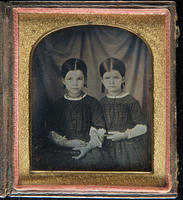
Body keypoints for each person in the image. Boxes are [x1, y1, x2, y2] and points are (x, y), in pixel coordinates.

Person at [45, 58, 106, 170]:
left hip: (88, 148)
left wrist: (88, 147)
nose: (74, 83)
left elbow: (99, 128)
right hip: (63, 149)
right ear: (63, 80)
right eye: (70, 79)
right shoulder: (57, 105)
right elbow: (51, 131)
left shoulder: (93, 103)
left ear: (85, 80)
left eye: (79, 79)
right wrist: (67, 143)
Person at [99, 57, 150, 171]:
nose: (111, 82)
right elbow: (98, 124)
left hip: (128, 147)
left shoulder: (130, 101)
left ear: (122, 79)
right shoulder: (101, 103)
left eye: (116, 77)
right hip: (107, 146)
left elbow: (143, 127)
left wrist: (124, 135)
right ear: (102, 80)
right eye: (107, 78)